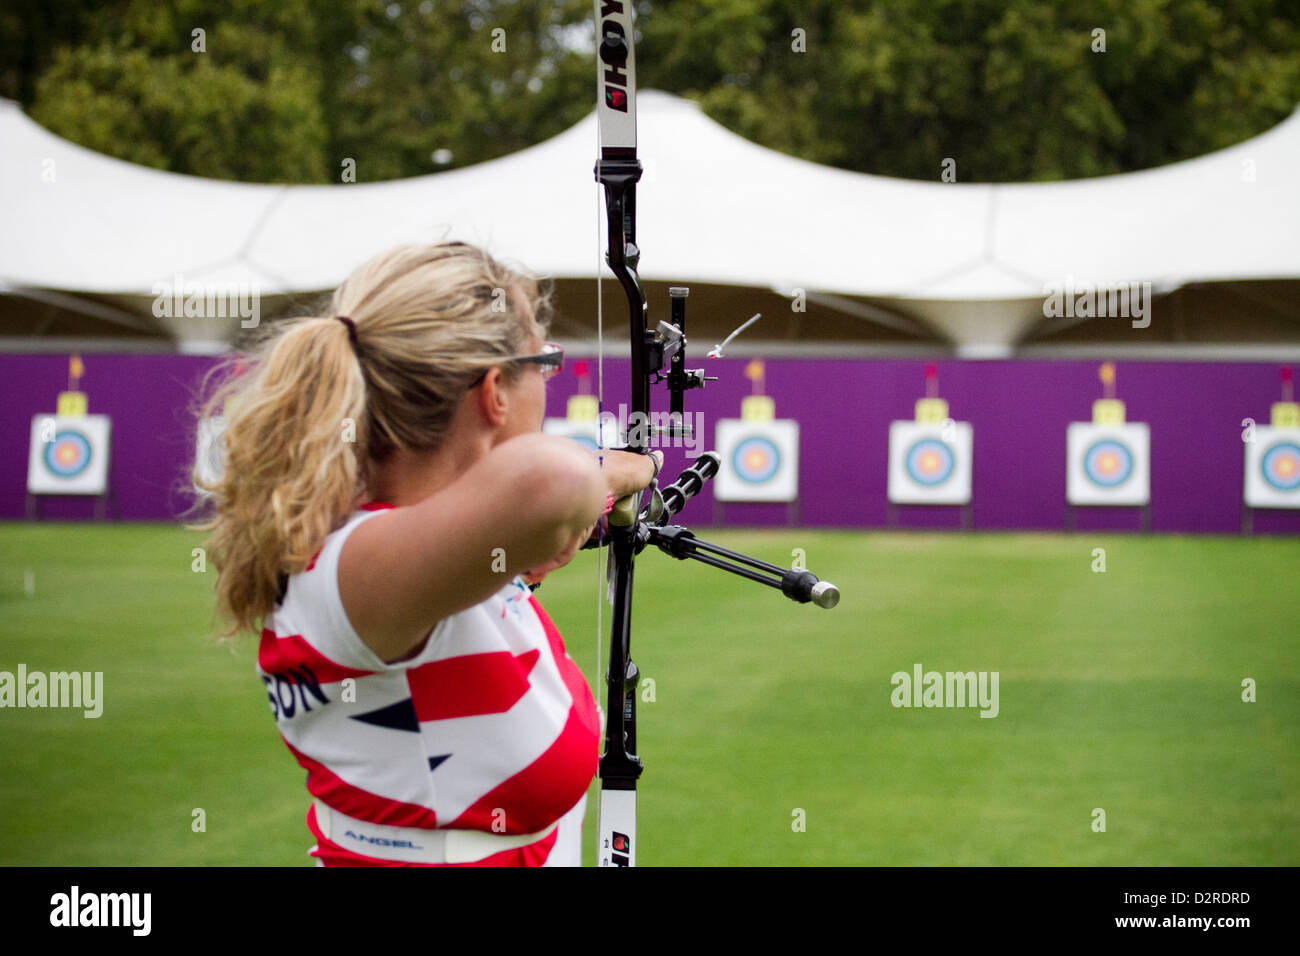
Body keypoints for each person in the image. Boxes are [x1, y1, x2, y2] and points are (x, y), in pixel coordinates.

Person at [197, 241, 659, 866]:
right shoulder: (350, 571)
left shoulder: (413, 558)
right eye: (544, 364)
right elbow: (555, 481)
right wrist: (603, 484)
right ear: (495, 391)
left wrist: (560, 523)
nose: (548, 384)